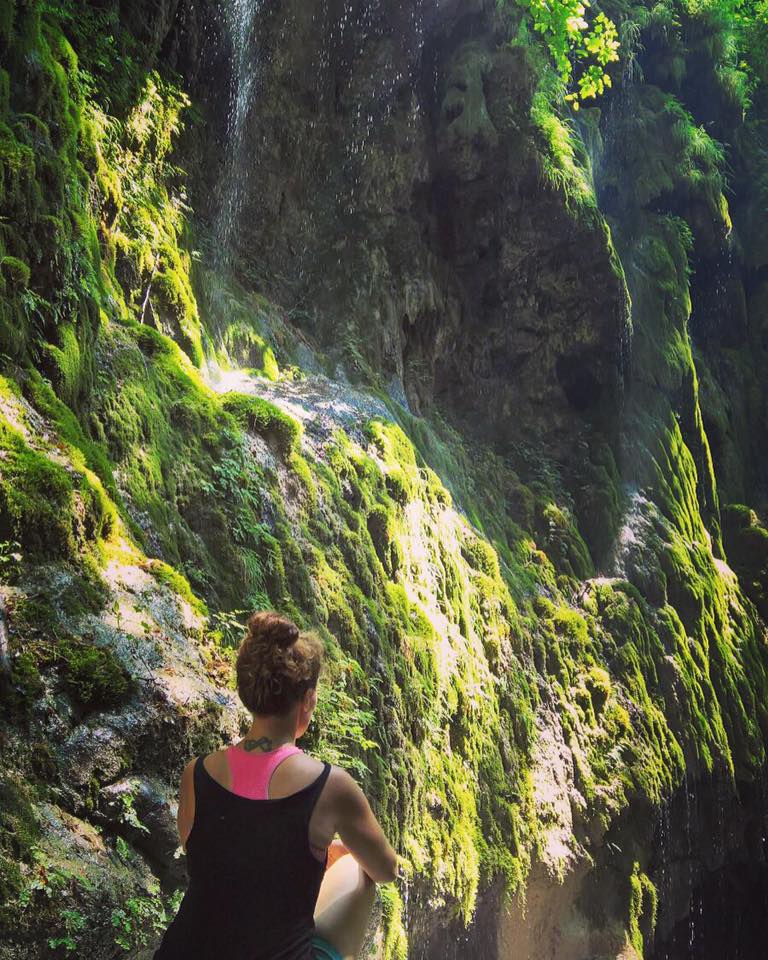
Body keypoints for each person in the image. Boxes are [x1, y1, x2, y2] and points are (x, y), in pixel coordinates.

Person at [152, 610, 399, 960]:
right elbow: (386, 869)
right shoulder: (331, 787)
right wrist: (329, 851)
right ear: (308, 699)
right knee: (358, 870)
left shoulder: (196, 774)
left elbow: (221, 856)